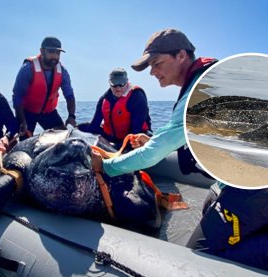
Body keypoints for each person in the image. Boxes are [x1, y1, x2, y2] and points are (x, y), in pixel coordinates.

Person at [91, 29, 217, 175]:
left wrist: (104, 166)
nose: (152, 72)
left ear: (181, 55)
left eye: (157, 63)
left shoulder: (202, 91)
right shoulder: (201, 81)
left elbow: (152, 153)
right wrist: (152, 141)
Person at [12, 36, 76, 139]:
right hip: (27, 112)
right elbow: (17, 97)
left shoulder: (62, 71)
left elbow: (69, 96)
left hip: (48, 112)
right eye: (51, 52)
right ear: (42, 51)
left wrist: (71, 116)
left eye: (58, 53)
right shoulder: (27, 68)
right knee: (22, 140)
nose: (55, 56)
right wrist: (22, 121)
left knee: (65, 139)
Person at [80, 68, 152, 147]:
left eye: (122, 84)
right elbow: (94, 125)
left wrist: (118, 147)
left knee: (137, 138)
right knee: (83, 127)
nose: (118, 88)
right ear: (110, 83)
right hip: (113, 137)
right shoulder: (104, 99)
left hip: (136, 137)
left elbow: (136, 130)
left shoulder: (137, 96)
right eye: (114, 84)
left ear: (127, 82)